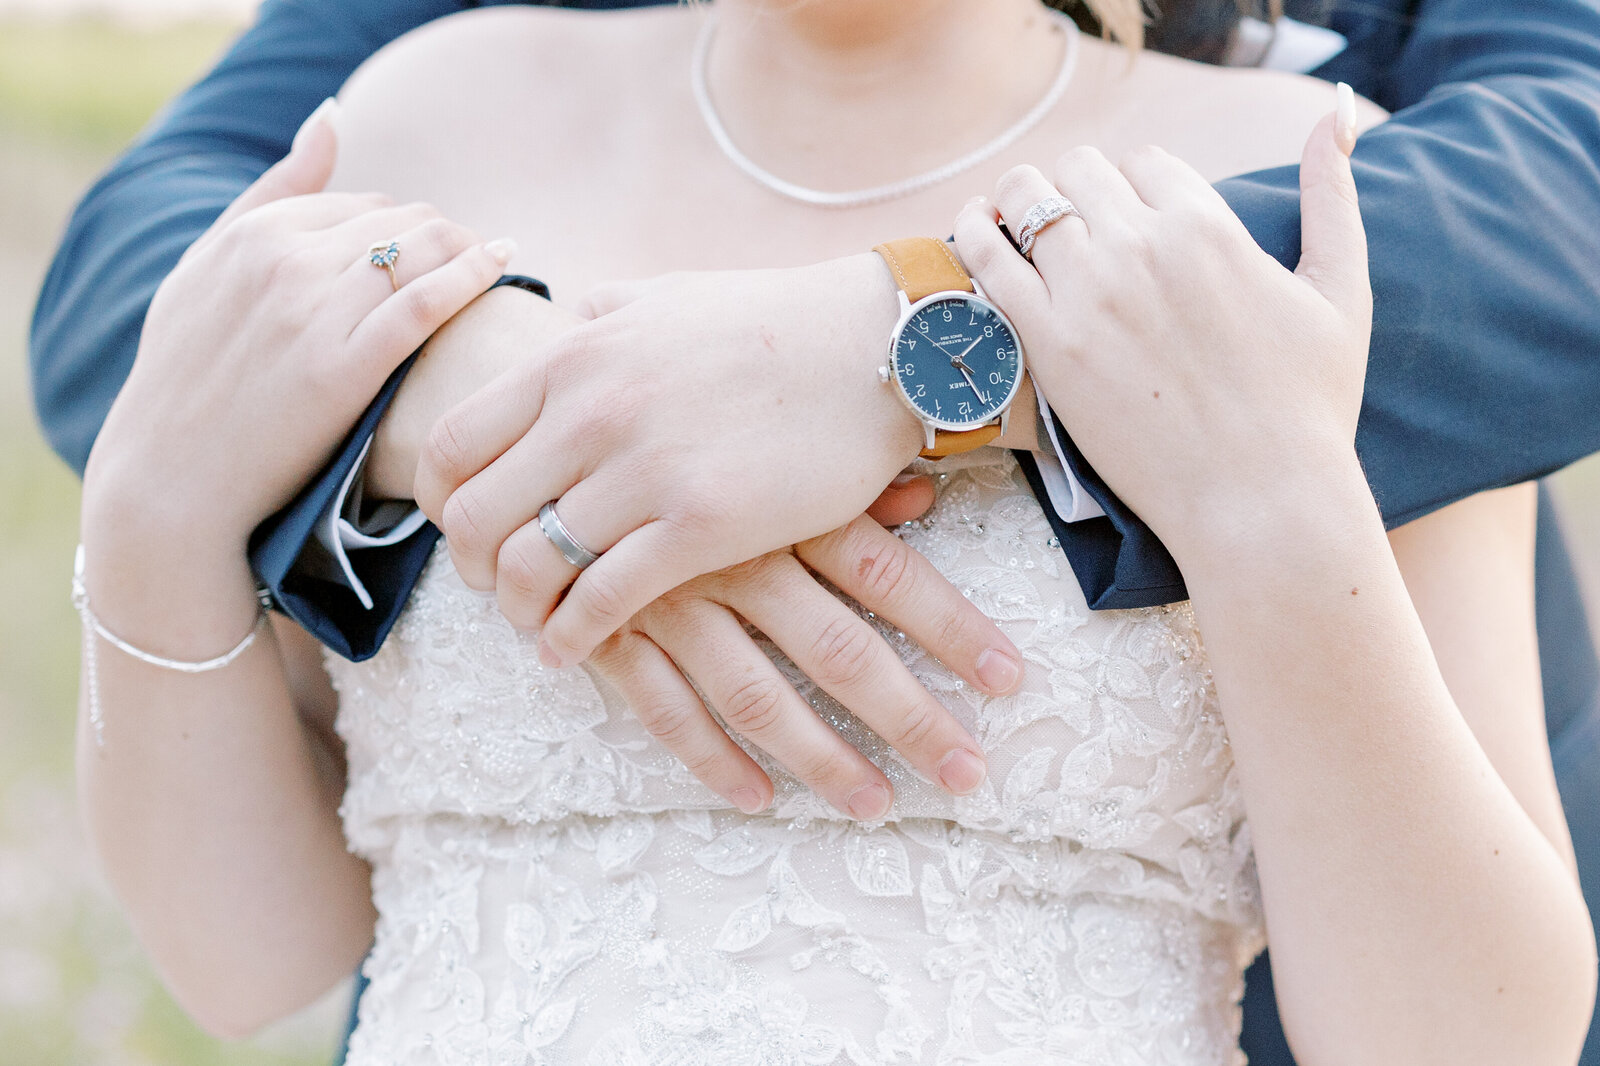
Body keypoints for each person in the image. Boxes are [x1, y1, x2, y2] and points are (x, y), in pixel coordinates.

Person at [32, 0, 1600, 1062]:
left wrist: (1263, 499)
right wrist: (161, 509)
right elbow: (253, 963)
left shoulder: (1300, 195)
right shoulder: (410, 126)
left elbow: (1466, 1035)